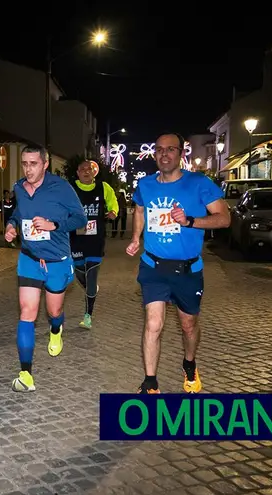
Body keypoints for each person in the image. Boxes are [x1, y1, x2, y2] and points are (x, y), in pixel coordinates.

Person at [126, 133, 230, 394]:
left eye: (170, 149)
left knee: (188, 325)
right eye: (159, 149)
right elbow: (139, 208)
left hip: (187, 270)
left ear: (181, 153)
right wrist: (136, 237)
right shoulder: (146, 185)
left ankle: (190, 363)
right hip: (153, 266)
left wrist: (190, 221)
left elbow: (224, 218)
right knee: (153, 324)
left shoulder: (199, 183)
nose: (164, 154)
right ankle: (150, 382)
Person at [4, 145, 87, 392]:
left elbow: (80, 218)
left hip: (57, 260)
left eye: (34, 163)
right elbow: (20, 213)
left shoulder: (61, 188)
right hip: (29, 257)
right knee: (27, 311)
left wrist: (54, 225)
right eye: (25, 163)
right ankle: (25, 374)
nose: (28, 169)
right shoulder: (19, 187)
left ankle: (56, 328)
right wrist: (11, 226)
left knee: (54, 311)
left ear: (45, 164)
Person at [69, 160, 119, 330]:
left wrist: (113, 212)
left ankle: (88, 315)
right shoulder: (70, 189)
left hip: (95, 240)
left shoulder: (103, 187)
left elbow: (113, 203)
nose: (86, 172)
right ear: (77, 173)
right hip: (76, 239)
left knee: (91, 275)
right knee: (80, 274)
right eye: (82, 169)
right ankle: (91, 289)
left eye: (89, 169)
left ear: (94, 172)